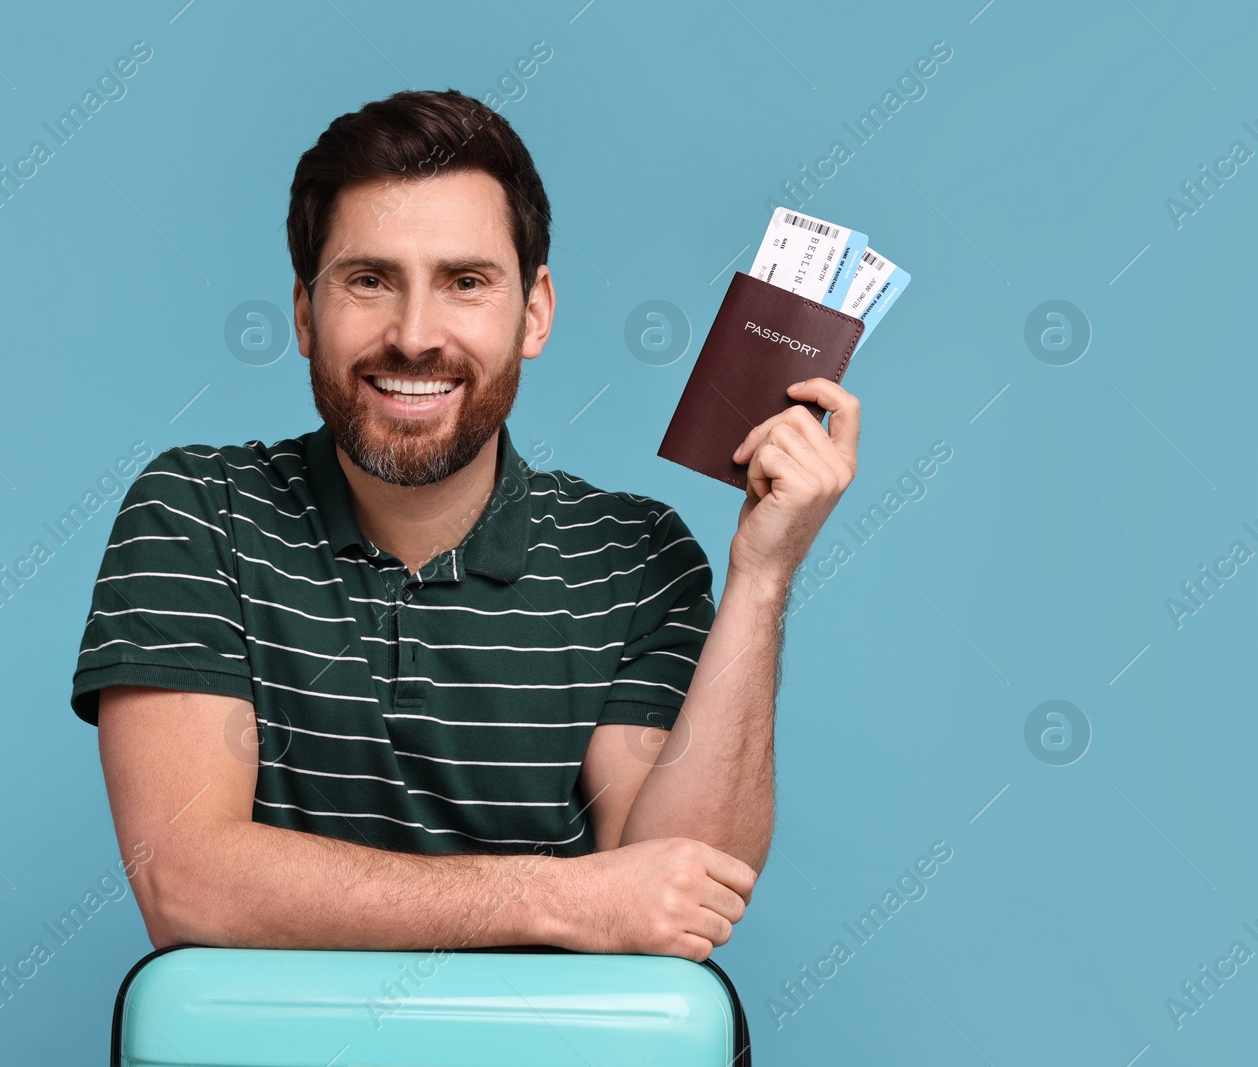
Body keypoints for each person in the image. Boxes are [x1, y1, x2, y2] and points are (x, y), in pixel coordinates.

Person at [70, 89, 859, 963]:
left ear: (535, 312)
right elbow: (186, 879)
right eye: (368, 280)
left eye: (466, 282)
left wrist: (764, 573)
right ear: (304, 313)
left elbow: (681, 893)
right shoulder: (197, 512)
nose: (414, 336)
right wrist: (557, 895)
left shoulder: (636, 557)